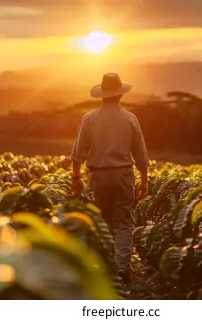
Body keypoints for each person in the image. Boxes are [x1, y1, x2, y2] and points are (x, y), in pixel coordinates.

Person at [70, 73, 150, 283]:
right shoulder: (130, 119)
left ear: (102, 95)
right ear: (120, 94)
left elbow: (78, 152)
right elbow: (141, 154)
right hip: (124, 175)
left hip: (97, 176)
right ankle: (122, 267)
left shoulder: (89, 118)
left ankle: (105, 268)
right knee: (123, 223)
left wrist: (76, 178)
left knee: (102, 222)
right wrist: (144, 181)